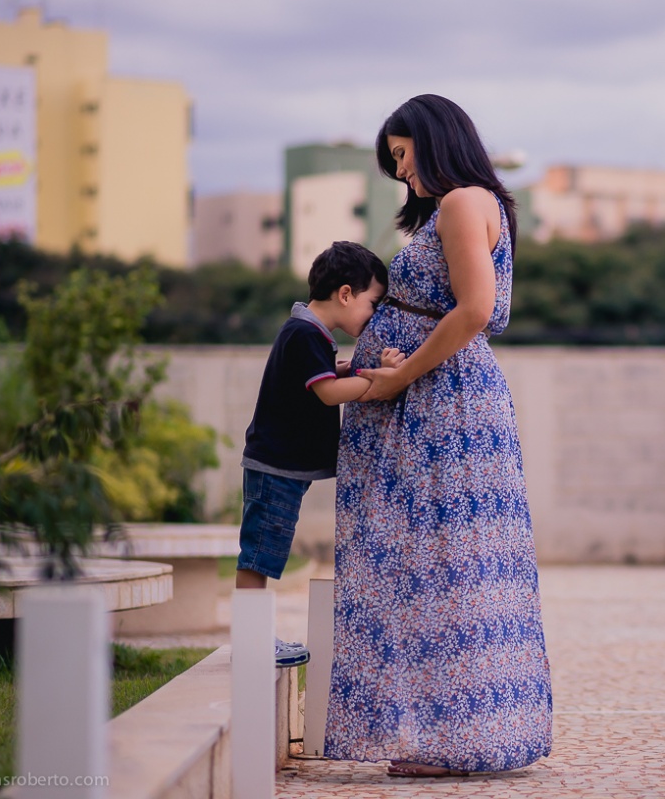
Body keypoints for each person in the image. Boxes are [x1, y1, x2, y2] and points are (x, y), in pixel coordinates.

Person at [324, 94, 553, 777]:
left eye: (401, 155)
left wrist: (398, 376)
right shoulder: (476, 203)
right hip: (436, 398)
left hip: (440, 405)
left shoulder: (460, 203)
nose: (401, 172)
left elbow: (475, 310)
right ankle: (458, 733)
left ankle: (457, 740)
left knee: (445, 566)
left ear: (431, 140)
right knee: (448, 566)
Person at [236, 241, 398, 668]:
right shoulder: (306, 334)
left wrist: (355, 369)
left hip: (281, 465)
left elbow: (322, 377)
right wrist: (381, 382)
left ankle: (253, 638)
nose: (373, 315)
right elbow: (328, 392)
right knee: (259, 554)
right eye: (372, 303)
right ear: (345, 294)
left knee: (265, 550)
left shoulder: (310, 333)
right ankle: (250, 641)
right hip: (275, 464)